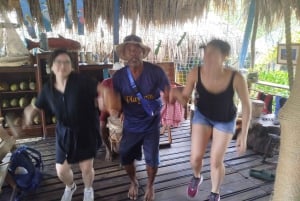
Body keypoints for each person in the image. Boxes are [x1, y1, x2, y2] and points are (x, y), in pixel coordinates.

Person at [170, 39, 251, 201]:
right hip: (202, 116)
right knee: (195, 158)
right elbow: (185, 98)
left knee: (215, 161)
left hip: (225, 119)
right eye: (206, 53)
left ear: (225, 56)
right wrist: (174, 93)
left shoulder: (236, 77)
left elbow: (247, 105)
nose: (208, 57)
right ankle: (197, 176)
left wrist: (244, 134)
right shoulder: (195, 72)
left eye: (213, 54)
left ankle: (215, 194)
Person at [23, 49, 101, 201]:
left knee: (86, 168)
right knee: (61, 171)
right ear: (51, 66)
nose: (62, 65)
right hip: (64, 133)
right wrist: (29, 113)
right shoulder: (48, 89)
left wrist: (104, 98)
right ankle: (70, 186)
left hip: (86, 131)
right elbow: (36, 106)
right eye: (58, 62)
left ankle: (88, 189)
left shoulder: (82, 81)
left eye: (67, 62)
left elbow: (100, 90)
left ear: (71, 66)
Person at [112, 35, 170, 201]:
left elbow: (168, 91)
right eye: (129, 50)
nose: (133, 53)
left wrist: (174, 96)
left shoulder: (155, 72)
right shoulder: (119, 77)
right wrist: (117, 110)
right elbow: (116, 101)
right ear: (124, 53)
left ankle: (151, 186)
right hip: (131, 125)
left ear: (142, 52)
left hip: (151, 123)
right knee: (125, 155)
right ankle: (134, 181)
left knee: (152, 158)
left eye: (137, 49)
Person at [97, 62, 123, 161]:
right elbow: (101, 103)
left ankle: (123, 152)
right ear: (112, 73)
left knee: (126, 127)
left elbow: (130, 102)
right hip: (107, 109)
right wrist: (110, 110)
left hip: (122, 110)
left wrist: (122, 113)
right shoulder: (105, 83)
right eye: (116, 72)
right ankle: (108, 149)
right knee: (102, 126)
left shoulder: (127, 83)